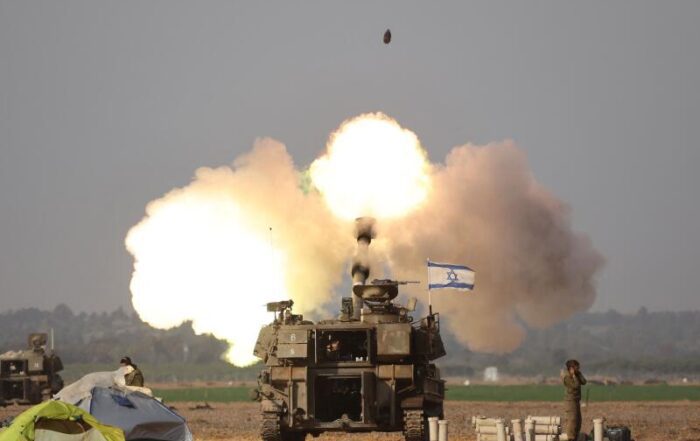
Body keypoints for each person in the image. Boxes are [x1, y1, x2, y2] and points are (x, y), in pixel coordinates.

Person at [561, 359, 587, 441]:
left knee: (578, 421)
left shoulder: (576, 374)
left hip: (576, 401)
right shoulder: (566, 377)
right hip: (570, 402)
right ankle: (571, 438)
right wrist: (574, 376)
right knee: (572, 421)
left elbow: (584, 381)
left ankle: (575, 437)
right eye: (577, 367)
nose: (578, 368)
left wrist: (578, 373)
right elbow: (575, 385)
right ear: (571, 368)